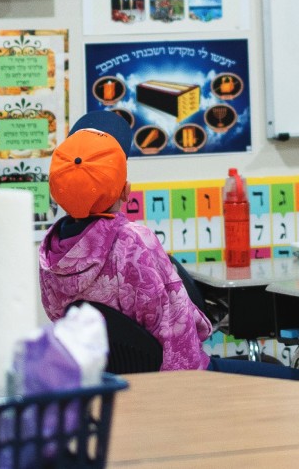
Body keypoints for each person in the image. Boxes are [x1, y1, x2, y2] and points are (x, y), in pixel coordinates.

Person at [38, 112, 214, 371]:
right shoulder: (133, 241)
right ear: (126, 190)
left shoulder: (50, 251)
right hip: (171, 381)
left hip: (100, 381)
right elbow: (175, 324)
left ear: (55, 194)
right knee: (279, 375)